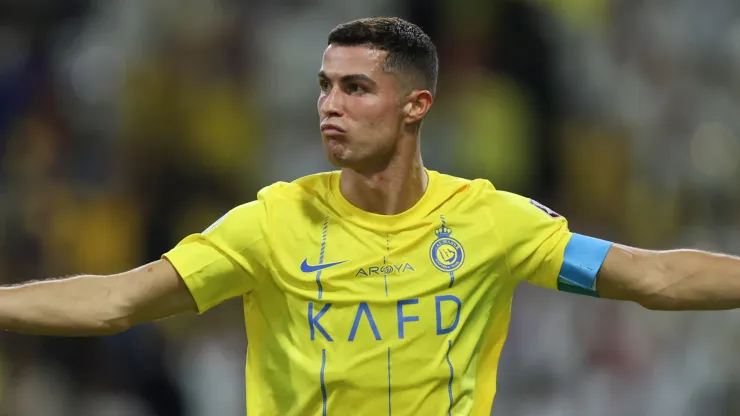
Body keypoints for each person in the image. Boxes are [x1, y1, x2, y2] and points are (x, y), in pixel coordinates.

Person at [2, 16, 739, 416]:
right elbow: (116, 301)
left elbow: (655, 277)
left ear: (416, 105)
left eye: (356, 88)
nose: (330, 105)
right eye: (325, 86)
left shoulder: (492, 223)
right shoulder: (270, 224)